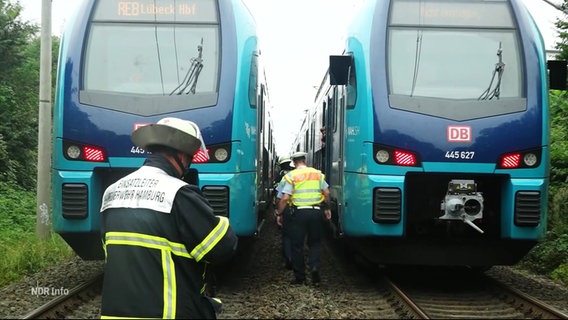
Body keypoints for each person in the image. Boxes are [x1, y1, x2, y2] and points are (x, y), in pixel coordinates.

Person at [99, 117, 238, 319]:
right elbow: (222, 248)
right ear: (181, 155)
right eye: (190, 158)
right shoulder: (179, 194)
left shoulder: (111, 193)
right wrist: (221, 221)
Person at [275, 151, 332, 286]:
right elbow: (327, 192)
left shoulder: (291, 176)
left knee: (297, 245)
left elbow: (285, 198)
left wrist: (279, 213)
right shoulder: (317, 174)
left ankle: (300, 277)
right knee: (315, 243)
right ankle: (315, 269)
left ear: (294, 162)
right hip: (316, 211)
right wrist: (327, 208)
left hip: (299, 213)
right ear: (305, 160)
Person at [273, 156, 294, 270]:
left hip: (286, 207)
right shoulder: (294, 173)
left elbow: (278, 193)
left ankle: (288, 258)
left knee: (286, 235)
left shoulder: (281, 174)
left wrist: (278, 211)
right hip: (298, 208)